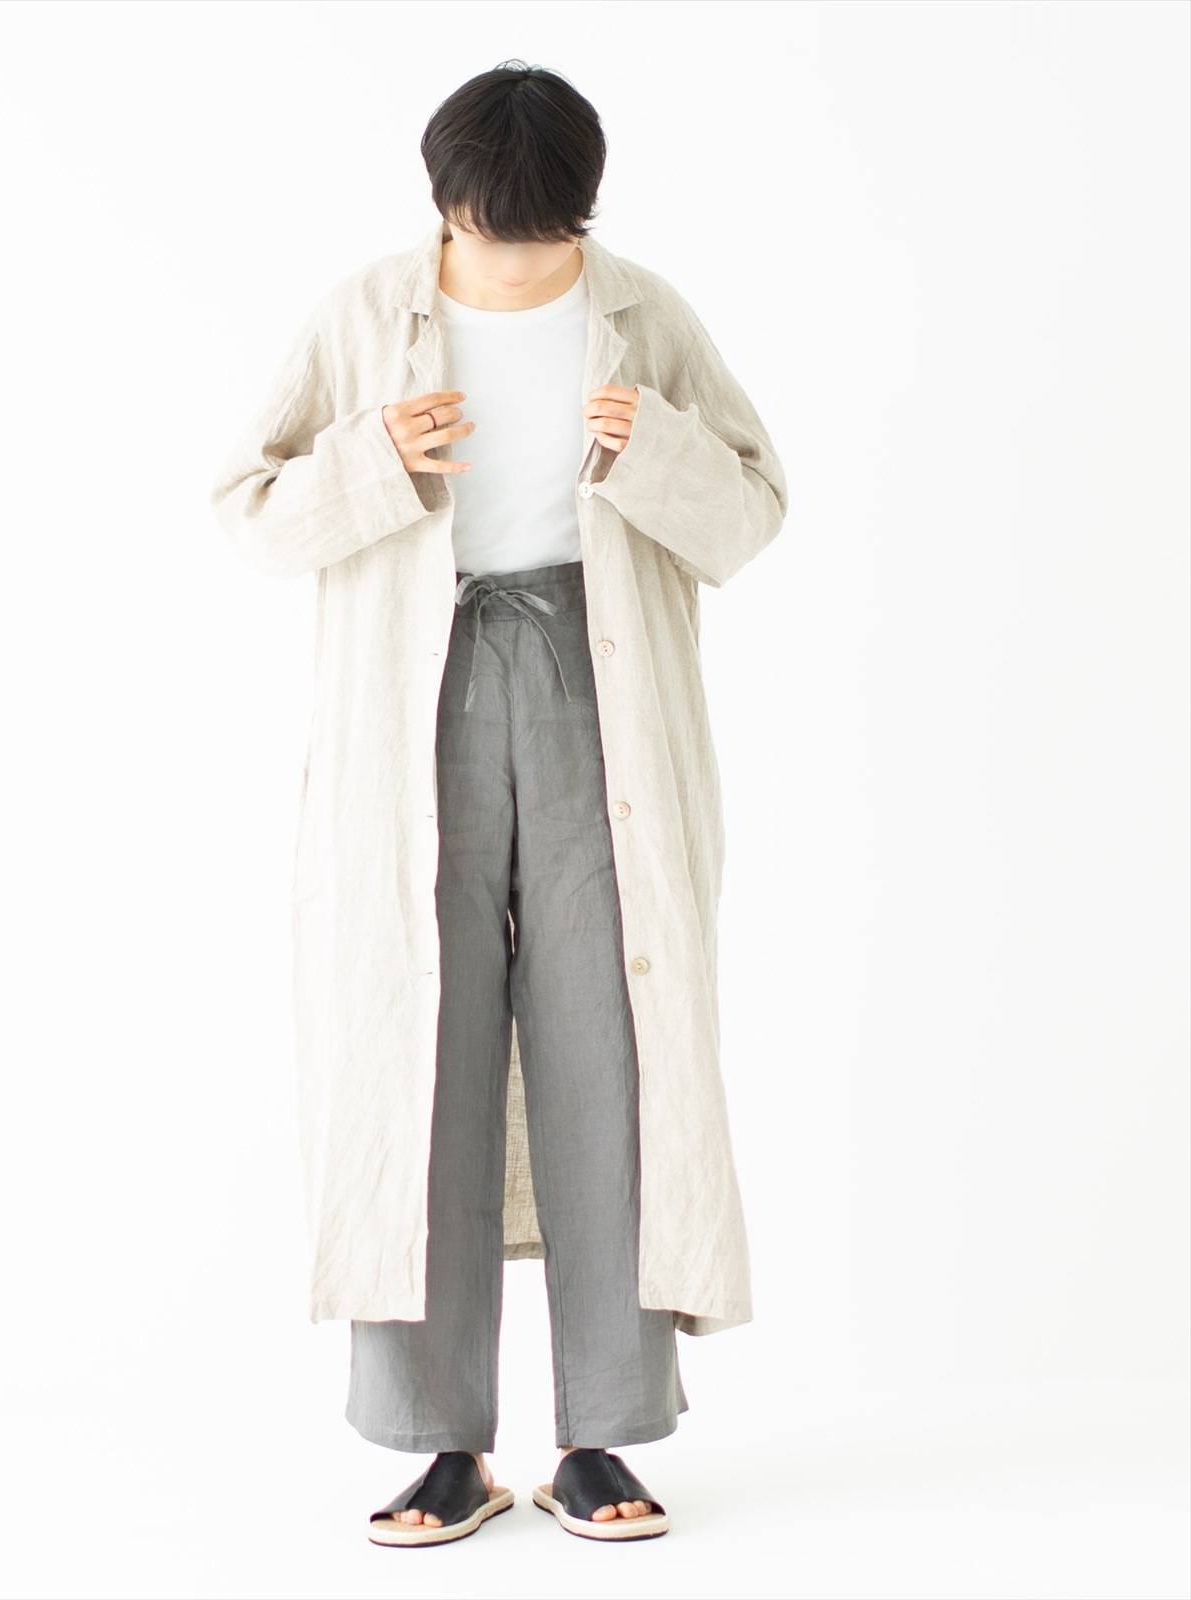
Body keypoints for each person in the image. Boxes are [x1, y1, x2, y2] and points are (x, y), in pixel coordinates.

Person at [209, 59, 788, 1547]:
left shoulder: (647, 314)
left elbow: (751, 509)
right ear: (443, 204)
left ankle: (603, 1434)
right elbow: (248, 512)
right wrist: (370, 460)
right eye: (489, 233)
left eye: (545, 235)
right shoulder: (363, 316)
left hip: (603, 688)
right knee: (421, 1044)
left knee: (612, 1038)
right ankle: (439, 1446)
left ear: (582, 213)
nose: (518, 263)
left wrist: (655, 450)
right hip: (417, 692)